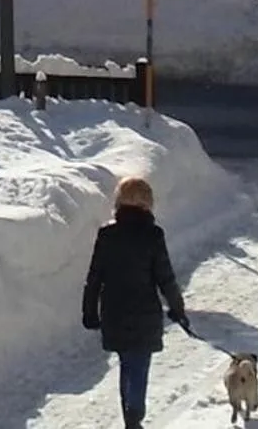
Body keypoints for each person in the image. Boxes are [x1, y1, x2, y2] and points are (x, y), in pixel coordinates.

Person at [81, 175, 187, 429]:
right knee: (139, 366)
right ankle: (134, 416)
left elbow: (95, 277)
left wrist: (90, 312)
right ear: (147, 204)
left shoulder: (107, 235)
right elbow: (165, 277)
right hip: (144, 314)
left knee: (126, 364)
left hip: (114, 313)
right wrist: (177, 308)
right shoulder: (153, 235)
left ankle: (130, 415)